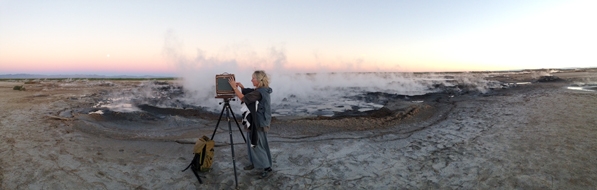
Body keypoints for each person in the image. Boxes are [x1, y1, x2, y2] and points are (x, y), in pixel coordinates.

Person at [228, 70, 273, 179]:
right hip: (255, 121)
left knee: (257, 144)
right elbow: (250, 93)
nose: (251, 80)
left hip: (259, 122)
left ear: (258, 80)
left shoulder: (260, 92)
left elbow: (244, 98)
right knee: (251, 143)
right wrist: (242, 87)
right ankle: (254, 162)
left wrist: (234, 88)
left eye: (253, 78)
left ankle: (267, 167)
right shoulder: (261, 90)